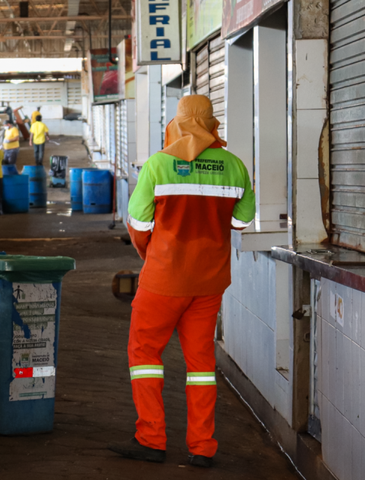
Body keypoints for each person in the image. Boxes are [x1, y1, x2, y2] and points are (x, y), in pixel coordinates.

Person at [108, 95, 256, 468]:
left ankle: (152, 439)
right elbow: (242, 222)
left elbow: (139, 223)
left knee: (144, 355)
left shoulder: (158, 165)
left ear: (175, 123)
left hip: (162, 279)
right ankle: (203, 447)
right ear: (211, 125)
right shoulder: (234, 166)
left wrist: (151, 256)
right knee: (202, 363)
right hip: (209, 283)